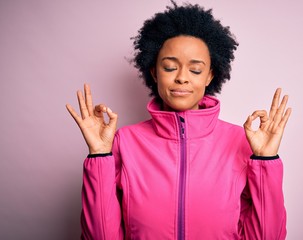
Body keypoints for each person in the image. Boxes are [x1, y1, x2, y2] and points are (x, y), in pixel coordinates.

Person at [66, 2, 291, 239]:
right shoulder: (126, 141)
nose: (182, 78)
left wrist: (267, 160)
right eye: (170, 67)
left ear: (210, 75)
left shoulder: (240, 141)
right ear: (154, 72)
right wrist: (99, 155)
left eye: (195, 70)